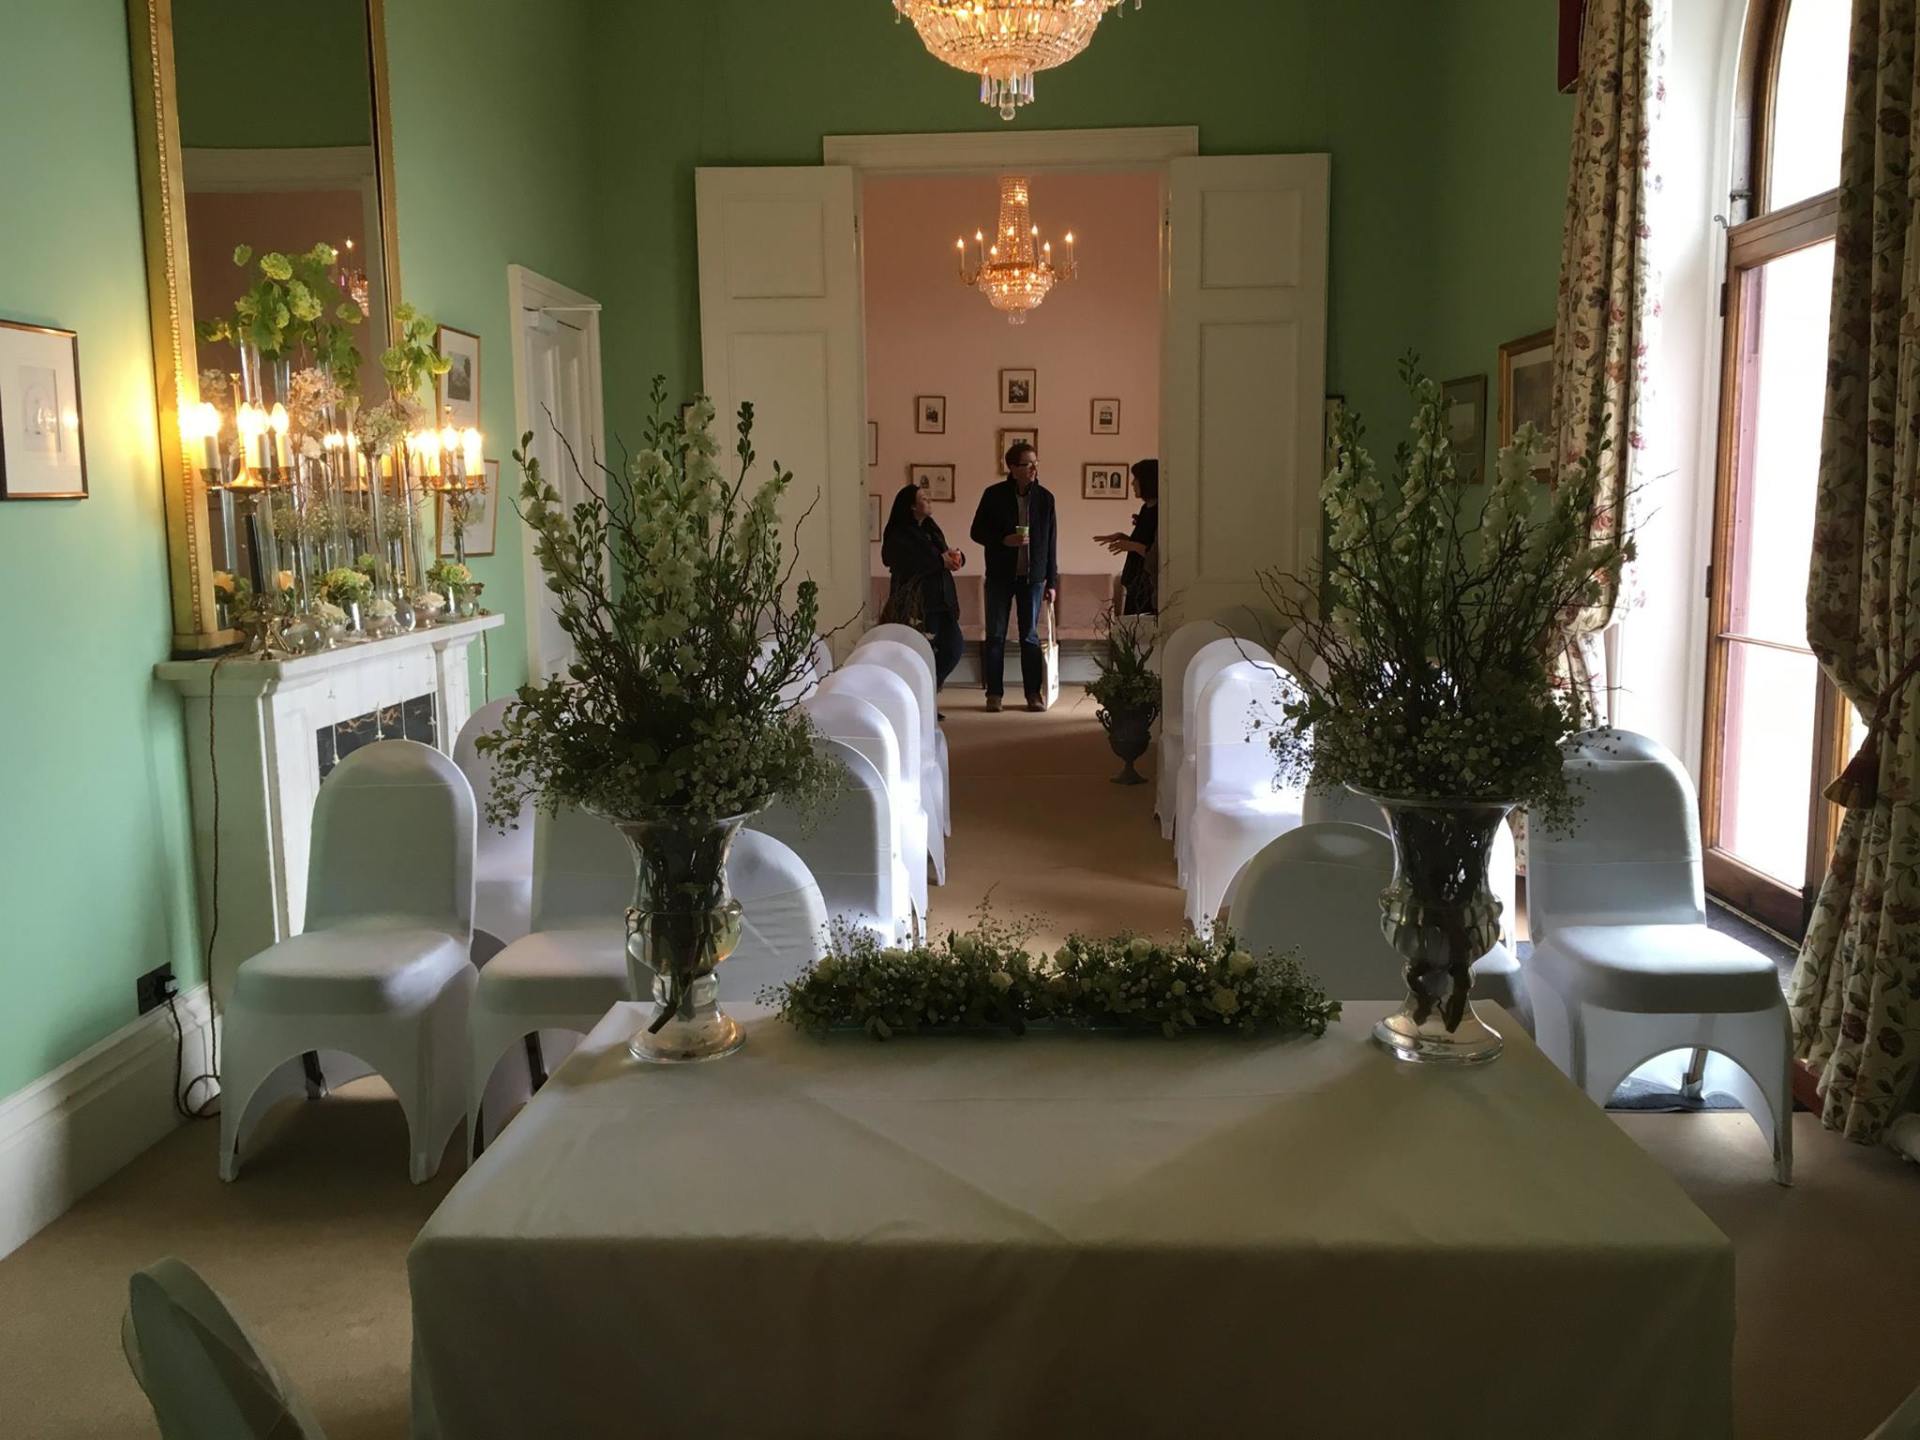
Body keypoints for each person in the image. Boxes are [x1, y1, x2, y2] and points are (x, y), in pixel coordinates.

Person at [969, 441, 1058, 712]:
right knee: (996, 635)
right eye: (1027, 464)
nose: (1033, 468)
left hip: (1033, 578)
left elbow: (1052, 541)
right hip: (999, 576)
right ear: (1012, 467)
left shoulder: (1045, 498)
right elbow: (977, 532)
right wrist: (1003, 540)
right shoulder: (993, 494)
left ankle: (1033, 694)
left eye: (1035, 463)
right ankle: (994, 695)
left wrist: (1051, 581)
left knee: (1029, 636)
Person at [880, 482, 966, 689]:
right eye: (924, 499)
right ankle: (922, 698)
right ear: (911, 506)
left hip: (943, 601)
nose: (929, 501)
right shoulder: (899, 532)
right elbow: (896, 560)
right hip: (919, 603)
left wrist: (957, 557)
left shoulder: (930, 527)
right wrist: (940, 561)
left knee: (953, 648)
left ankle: (928, 691)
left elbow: (940, 554)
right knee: (922, 653)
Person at [1096, 458, 1159, 616]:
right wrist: (1122, 538)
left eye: (1135, 479)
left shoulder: (1161, 511)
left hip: (1148, 582)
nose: (1132, 484)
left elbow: (1156, 553)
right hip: (1134, 579)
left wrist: (1131, 546)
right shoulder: (1146, 508)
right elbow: (1143, 541)